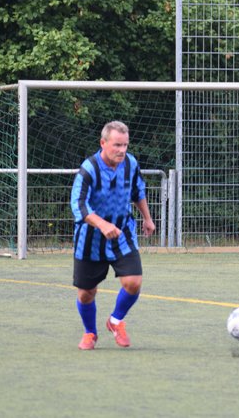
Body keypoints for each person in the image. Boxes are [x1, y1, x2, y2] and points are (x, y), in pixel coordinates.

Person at [70, 120, 156, 350]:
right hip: (90, 239)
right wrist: (101, 224)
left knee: (133, 282)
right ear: (103, 143)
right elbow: (78, 204)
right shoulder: (89, 169)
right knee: (86, 294)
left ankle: (116, 321)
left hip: (122, 233)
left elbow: (138, 191)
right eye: (117, 145)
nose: (122, 150)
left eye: (125, 145)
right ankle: (90, 333)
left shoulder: (131, 164)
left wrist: (147, 218)